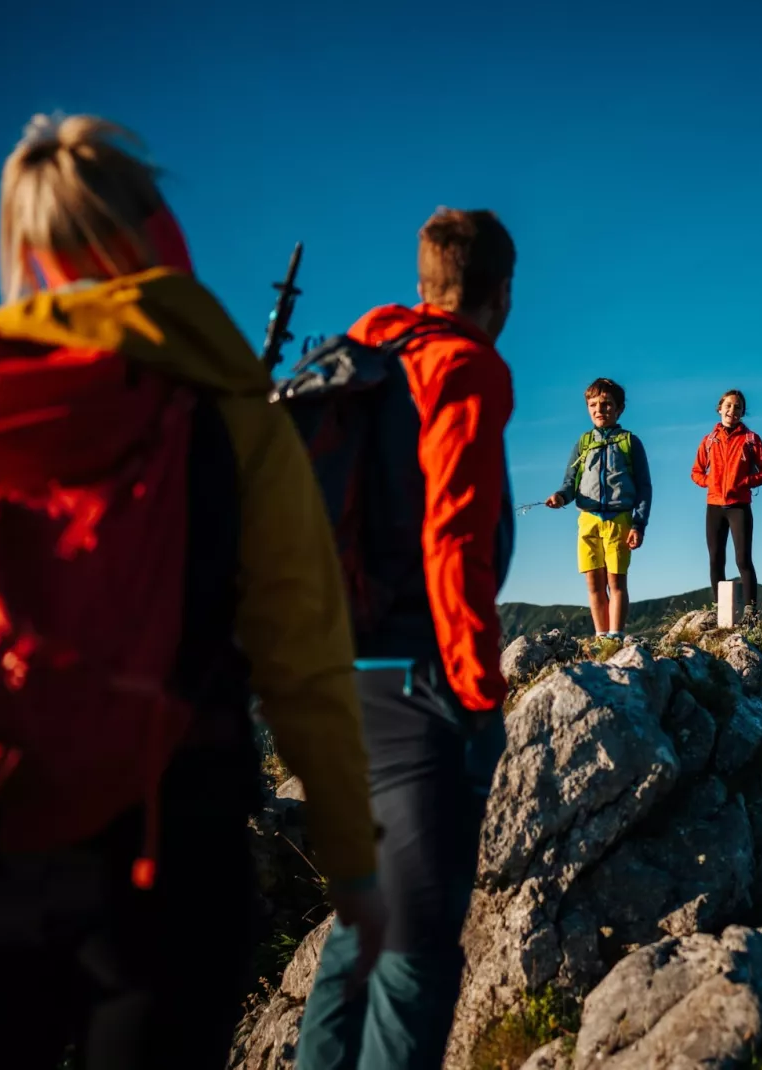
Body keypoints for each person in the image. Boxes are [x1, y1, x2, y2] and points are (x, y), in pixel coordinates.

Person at [0, 114, 384, 1069]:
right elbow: (305, 660)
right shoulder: (229, 409)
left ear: (26, 254)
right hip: (166, 855)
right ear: (157, 234)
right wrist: (353, 864)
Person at [295, 207, 517, 1070]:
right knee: (415, 966)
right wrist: (477, 692)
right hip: (414, 686)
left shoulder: (353, 363)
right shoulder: (462, 366)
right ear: (499, 293)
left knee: (356, 945)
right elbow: (454, 538)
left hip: (329, 683)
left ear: (424, 284)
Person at [544, 378, 653, 640]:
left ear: (619, 409)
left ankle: (615, 636)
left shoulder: (630, 442)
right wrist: (560, 497)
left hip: (620, 520)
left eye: (606, 405)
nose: (599, 410)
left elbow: (644, 487)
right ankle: (601, 637)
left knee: (616, 583)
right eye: (593, 405)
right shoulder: (583, 443)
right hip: (588, 521)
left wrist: (638, 524)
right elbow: (570, 483)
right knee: (594, 584)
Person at [691, 388, 762, 612]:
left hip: (739, 506)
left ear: (742, 412)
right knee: (716, 560)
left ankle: (750, 611)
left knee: (743, 560)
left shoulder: (751, 439)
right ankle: (722, 609)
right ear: (720, 408)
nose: (732, 410)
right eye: (728, 406)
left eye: (737, 407)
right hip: (715, 506)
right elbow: (696, 472)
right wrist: (709, 482)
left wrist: (746, 481)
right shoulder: (709, 440)